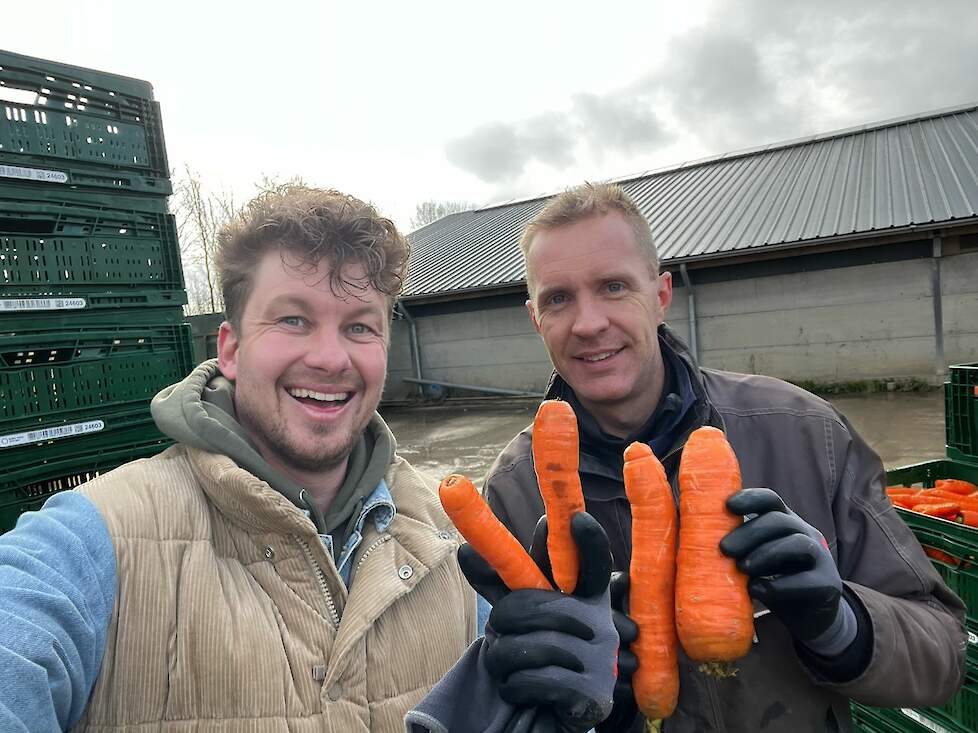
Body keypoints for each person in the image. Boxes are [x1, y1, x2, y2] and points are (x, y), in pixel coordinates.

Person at [483, 182, 968, 732]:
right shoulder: (515, 490)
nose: (589, 323)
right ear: (534, 318)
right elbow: (505, 690)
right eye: (558, 298)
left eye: (614, 286)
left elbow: (944, 652)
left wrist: (841, 624)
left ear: (661, 294)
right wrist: (562, 698)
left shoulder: (805, 433)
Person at [0, 186, 484, 732]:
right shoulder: (94, 541)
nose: (329, 358)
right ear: (229, 349)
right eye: (293, 320)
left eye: (359, 327)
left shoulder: (454, 540)